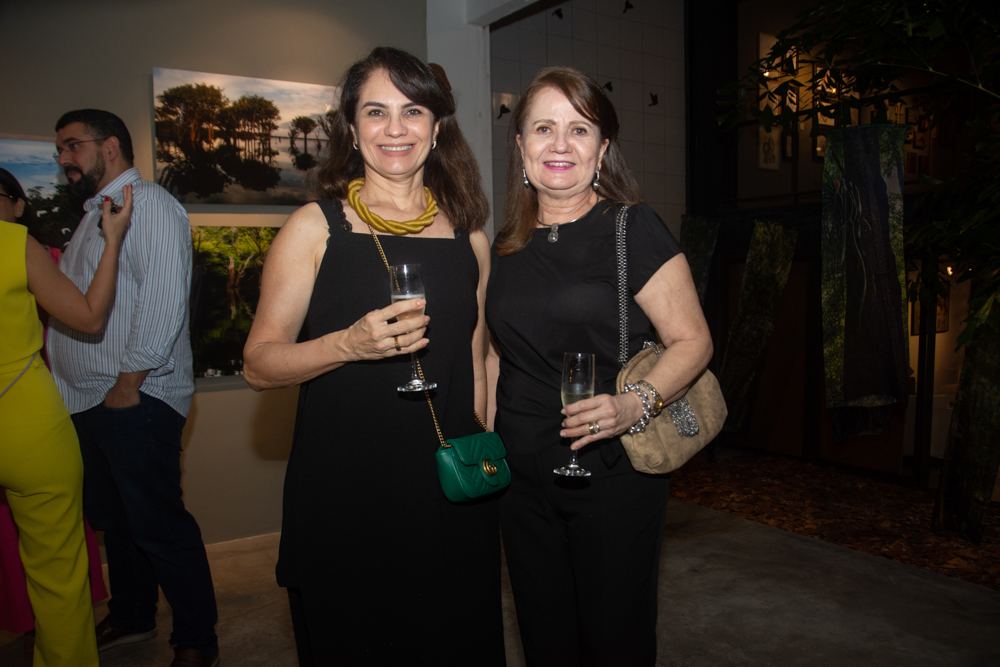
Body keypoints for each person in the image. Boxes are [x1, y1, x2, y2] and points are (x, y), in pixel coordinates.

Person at [243, 47, 504, 665]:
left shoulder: (470, 236)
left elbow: (476, 357)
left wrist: (482, 450)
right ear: (352, 130)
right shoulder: (315, 227)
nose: (395, 129)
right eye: (376, 112)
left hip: (448, 490)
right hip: (347, 492)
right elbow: (258, 364)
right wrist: (348, 345)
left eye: (412, 111)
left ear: (437, 128)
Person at [485, 67, 713, 666]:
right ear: (520, 145)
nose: (560, 145)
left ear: (602, 147)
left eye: (579, 129)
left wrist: (632, 404)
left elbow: (692, 340)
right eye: (543, 128)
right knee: (544, 634)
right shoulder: (505, 244)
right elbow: (493, 351)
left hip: (611, 471)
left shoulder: (631, 228)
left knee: (615, 638)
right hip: (523, 479)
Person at [46, 109, 219, 667]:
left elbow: (165, 302)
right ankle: (133, 613)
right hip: (89, 399)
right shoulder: (96, 213)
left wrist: (128, 384)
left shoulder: (151, 207)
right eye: (61, 152)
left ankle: (196, 641)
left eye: (73, 147)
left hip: (132, 397)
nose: (65, 160)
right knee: (117, 523)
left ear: (110, 146)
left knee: (159, 524)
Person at [1, 166, 132, 666]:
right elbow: (89, 317)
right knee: (58, 573)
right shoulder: (14, 243)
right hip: (25, 418)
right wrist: (113, 239)